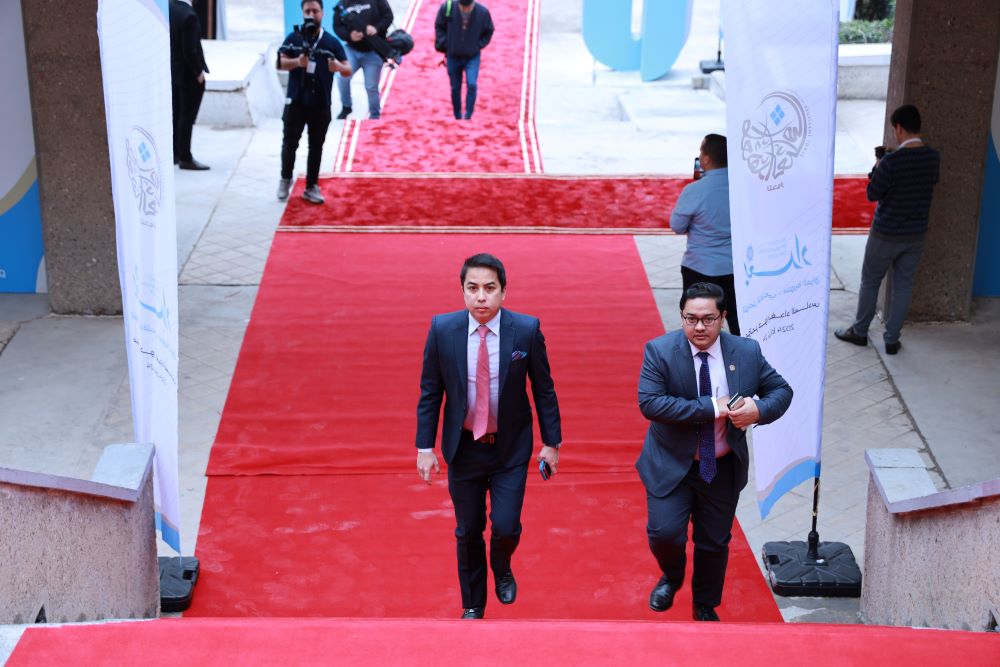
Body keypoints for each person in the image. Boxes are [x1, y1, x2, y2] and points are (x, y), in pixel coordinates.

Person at [415, 253, 562, 620]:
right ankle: (473, 605)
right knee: (468, 530)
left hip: (509, 448)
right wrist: (424, 447)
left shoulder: (525, 330)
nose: (481, 297)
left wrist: (551, 443)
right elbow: (431, 391)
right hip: (463, 448)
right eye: (473, 288)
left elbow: (543, 389)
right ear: (462, 291)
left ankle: (502, 564)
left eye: (489, 288)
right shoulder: (442, 329)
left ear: (503, 292)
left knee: (506, 526)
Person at [636, 282, 792, 621]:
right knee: (664, 534)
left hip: (721, 467)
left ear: (723, 317)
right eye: (690, 319)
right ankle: (672, 575)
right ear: (681, 317)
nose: (699, 327)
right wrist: (711, 407)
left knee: (714, 541)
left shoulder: (746, 352)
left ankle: (704, 604)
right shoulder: (660, 351)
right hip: (672, 463)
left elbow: (781, 391)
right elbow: (650, 403)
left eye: (708, 319)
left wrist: (759, 410)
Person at [835, 104, 940, 355]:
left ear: (899, 128)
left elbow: (872, 193)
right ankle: (892, 339)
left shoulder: (892, 161)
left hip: (885, 234)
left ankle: (860, 331)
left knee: (871, 281)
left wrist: (879, 165)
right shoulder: (932, 157)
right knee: (903, 286)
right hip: (916, 234)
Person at [276, 0, 352, 205]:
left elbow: (348, 69)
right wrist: (297, 62)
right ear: (302, 13)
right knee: (289, 143)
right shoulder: (294, 37)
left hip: (320, 102)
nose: (311, 14)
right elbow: (280, 62)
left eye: (315, 11)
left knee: (316, 146)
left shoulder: (331, 42)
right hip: (296, 101)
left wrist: (337, 66)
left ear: (322, 13)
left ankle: (311, 186)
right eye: (307, 11)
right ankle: (285, 178)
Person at [670, 134, 739, 335]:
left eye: (701, 152)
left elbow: (677, 226)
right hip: (735, 267)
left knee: (699, 327)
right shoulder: (743, 188)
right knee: (738, 323)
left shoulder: (696, 190)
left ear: (706, 159)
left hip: (699, 267)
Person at [333, 0, 394, 120]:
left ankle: (374, 115)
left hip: (373, 51)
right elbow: (337, 26)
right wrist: (349, 36)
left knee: (371, 86)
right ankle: (346, 106)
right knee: (342, 77)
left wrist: (377, 28)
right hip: (352, 49)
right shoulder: (343, 3)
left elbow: (388, 16)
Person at [434, 0, 494, 120]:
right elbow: (439, 26)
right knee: (455, 87)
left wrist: (479, 45)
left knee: (472, 84)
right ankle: (457, 115)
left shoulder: (482, 12)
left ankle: (468, 114)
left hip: (472, 56)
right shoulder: (447, 8)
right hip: (453, 55)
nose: (466, 10)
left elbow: (489, 30)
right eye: (463, 8)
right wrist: (446, 43)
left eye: (468, 8)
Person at [170, 0, 211, 170]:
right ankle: (185, 157)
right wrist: (198, 72)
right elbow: (190, 51)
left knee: (176, 115)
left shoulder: (170, 8)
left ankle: (175, 153)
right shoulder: (189, 16)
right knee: (186, 118)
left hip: (174, 72)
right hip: (188, 76)